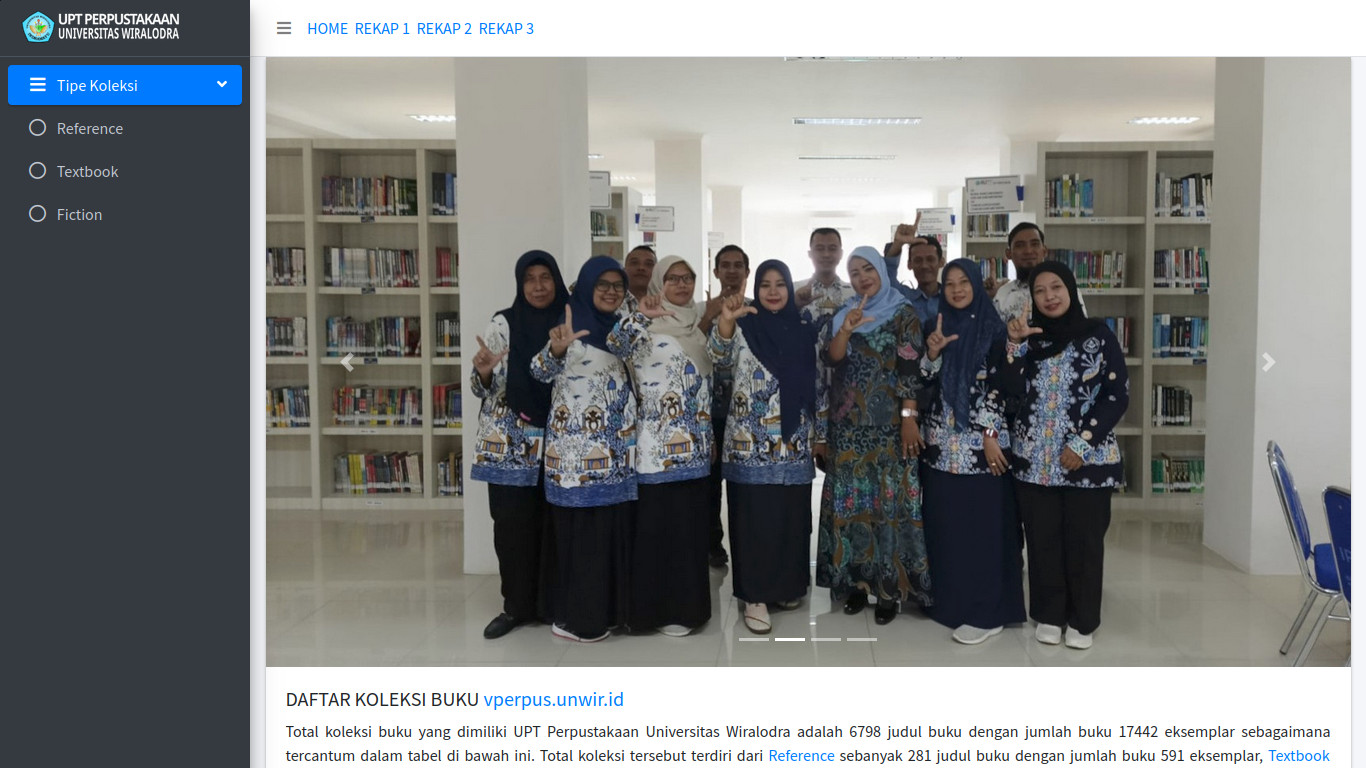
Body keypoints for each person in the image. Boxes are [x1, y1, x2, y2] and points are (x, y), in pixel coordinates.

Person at [982, 261, 1129, 650]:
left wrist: (1081, 443)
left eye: (1056, 288)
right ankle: (1049, 614)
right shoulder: (1025, 337)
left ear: (1070, 290)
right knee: (1042, 540)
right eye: (1040, 291)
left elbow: (1116, 395)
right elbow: (1006, 390)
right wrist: (1014, 346)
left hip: (1087, 461)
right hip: (1034, 462)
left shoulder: (1099, 335)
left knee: (1084, 542)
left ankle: (1082, 620)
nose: (1049, 296)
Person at [530, 256, 646, 643]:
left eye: (618, 286)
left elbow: (632, 355)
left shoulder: (620, 327)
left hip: (617, 456)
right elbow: (539, 371)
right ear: (586, 286)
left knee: (610, 537)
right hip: (576, 461)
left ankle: (609, 612)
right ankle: (580, 620)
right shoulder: (569, 326)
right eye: (603, 285)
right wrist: (557, 350)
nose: (611, 292)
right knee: (584, 541)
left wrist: (641, 317)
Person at [709, 260, 827, 634]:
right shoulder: (743, 326)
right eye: (765, 285)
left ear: (790, 289)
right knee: (753, 521)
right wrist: (725, 322)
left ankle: (786, 586)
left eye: (780, 284)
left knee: (791, 518)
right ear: (755, 289)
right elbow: (718, 361)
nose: (773, 291)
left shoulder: (804, 328)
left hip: (794, 441)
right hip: (750, 444)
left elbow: (818, 383)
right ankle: (755, 595)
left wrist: (821, 434)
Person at [815, 246, 932, 625]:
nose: (863, 277)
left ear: (881, 269)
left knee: (888, 508)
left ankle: (888, 590)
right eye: (855, 272)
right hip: (847, 429)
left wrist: (909, 417)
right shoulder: (844, 313)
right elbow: (832, 360)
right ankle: (855, 583)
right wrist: (846, 329)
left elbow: (910, 369)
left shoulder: (903, 313)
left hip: (889, 428)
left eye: (868, 269)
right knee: (851, 507)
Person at [917, 258, 1027, 645]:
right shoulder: (936, 327)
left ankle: (987, 611)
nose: (957, 290)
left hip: (984, 450)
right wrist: (931, 356)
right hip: (941, 448)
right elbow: (922, 385)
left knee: (984, 532)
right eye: (949, 284)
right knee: (947, 528)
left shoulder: (996, 330)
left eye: (964, 282)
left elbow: (1005, 387)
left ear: (978, 285)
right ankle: (949, 603)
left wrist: (991, 433)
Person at [468, 250, 569, 639]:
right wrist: (483, 373)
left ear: (556, 280)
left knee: (554, 528)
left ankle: (550, 605)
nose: (538, 286)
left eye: (545, 277)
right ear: (519, 284)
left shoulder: (568, 321)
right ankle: (515, 607)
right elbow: (481, 387)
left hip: (560, 444)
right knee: (512, 529)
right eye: (530, 279)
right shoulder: (503, 323)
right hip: (509, 447)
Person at [617, 256, 714, 636]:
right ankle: (652, 612)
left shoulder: (697, 328)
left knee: (689, 532)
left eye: (688, 278)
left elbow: (705, 390)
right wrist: (641, 316)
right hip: (653, 449)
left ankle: (686, 611)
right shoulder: (642, 325)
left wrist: (709, 436)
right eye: (673, 278)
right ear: (660, 282)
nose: (682, 284)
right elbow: (617, 348)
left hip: (695, 447)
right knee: (656, 531)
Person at [699, 244, 751, 568]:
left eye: (738, 265)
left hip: (745, 415)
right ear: (716, 271)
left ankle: (747, 544)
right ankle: (712, 542)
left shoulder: (756, 309)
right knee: (710, 485)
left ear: (747, 271)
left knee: (743, 486)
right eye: (725, 265)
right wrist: (709, 316)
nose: (732, 271)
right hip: (708, 413)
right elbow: (691, 348)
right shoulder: (700, 310)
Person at [987, 222, 1085, 322]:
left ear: (1044, 251)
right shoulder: (1002, 294)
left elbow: (1080, 328)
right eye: (1020, 245)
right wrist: (987, 298)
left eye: (1035, 244)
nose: (1028, 251)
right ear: (1009, 254)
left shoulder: (1066, 290)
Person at [795, 228, 857, 318]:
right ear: (810, 254)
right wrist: (795, 305)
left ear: (841, 254)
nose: (826, 254)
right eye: (820, 249)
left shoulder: (854, 293)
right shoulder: (794, 291)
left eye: (832, 249)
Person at [623, 245, 657, 310]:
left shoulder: (666, 305)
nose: (641, 268)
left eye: (648, 264)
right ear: (624, 269)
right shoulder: (612, 302)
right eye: (634, 263)